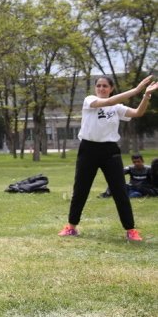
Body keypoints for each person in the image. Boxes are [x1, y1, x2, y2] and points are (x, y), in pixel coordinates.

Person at [59, 75, 157, 241]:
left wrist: (146, 95)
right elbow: (106, 103)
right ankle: (71, 227)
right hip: (88, 150)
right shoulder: (89, 100)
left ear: (111, 89)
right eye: (99, 86)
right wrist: (135, 89)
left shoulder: (117, 107)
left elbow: (138, 113)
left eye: (105, 86)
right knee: (81, 189)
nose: (101, 88)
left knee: (120, 191)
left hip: (110, 151)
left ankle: (131, 230)